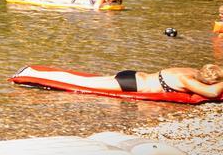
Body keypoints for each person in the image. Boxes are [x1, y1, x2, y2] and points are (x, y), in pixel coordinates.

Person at [25, 65, 223, 99]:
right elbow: (212, 93)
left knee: (88, 80)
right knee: (81, 82)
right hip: (131, 84)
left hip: (133, 76)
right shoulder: (186, 79)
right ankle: (33, 73)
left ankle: (36, 72)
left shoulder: (190, 70)